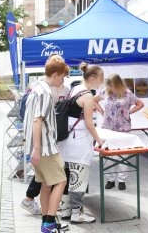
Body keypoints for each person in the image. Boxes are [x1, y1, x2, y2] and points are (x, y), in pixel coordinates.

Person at [23, 56, 69, 233]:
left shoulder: (37, 88)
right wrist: (37, 148)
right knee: (61, 180)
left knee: (45, 183)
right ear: (55, 74)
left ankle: (46, 222)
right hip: (45, 147)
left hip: (40, 146)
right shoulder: (45, 92)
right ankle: (49, 223)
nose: (63, 80)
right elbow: (38, 120)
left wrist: (34, 147)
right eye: (63, 76)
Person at [57, 62, 105, 224]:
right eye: (101, 78)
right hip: (79, 142)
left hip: (66, 141)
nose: (101, 82)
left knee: (67, 175)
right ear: (93, 78)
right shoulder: (87, 96)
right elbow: (90, 124)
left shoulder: (75, 89)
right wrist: (99, 141)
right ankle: (77, 214)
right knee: (78, 177)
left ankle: (65, 210)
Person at [94, 74, 144, 190]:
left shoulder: (127, 93)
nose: (110, 88)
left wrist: (129, 112)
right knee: (107, 154)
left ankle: (122, 180)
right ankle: (110, 179)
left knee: (123, 155)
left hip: (123, 128)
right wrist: (102, 112)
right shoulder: (105, 92)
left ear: (117, 84)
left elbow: (140, 104)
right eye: (108, 85)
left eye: (111, 85)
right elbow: (93, 100)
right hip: (108, 128)